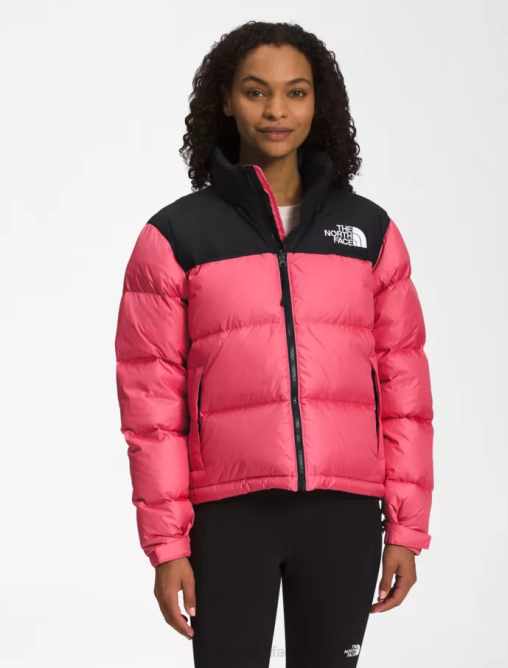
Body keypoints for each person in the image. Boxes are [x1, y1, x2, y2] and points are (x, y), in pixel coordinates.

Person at [114, 20, 434, 668]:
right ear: (227, 100)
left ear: (318, 104)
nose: (276, 111)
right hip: (229, 516)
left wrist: (406, 526)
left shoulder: (367, 232)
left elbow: (405, 390)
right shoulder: (176, 236)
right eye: (256, 91)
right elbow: (151, 408)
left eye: (296, 92)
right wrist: (167, 545)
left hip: (344, 513)